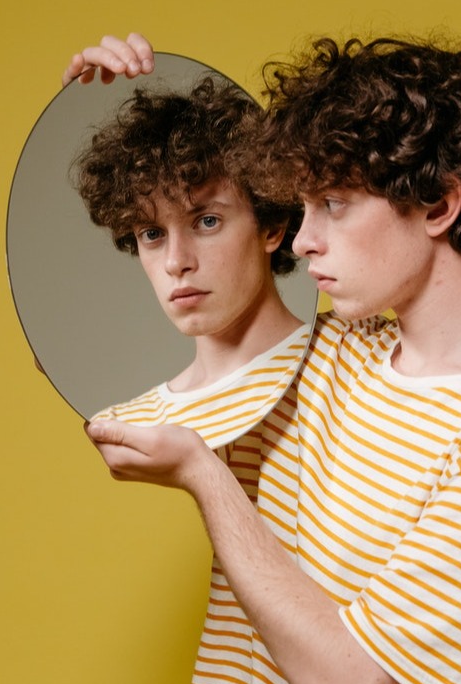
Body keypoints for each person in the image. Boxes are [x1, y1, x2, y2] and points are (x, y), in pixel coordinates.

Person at [75, 33, 461, 684]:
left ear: (440, 204)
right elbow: (215, 276)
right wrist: (138, 96)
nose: (300, 240)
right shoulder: (341, 353)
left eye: (333, 204)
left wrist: (204, 475)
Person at [68, 60, 310, 442]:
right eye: (152, 233)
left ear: (272, 226)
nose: (176, 262)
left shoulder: (359, 358)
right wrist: (75, 96)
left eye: (207, 221)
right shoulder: (132, 426)